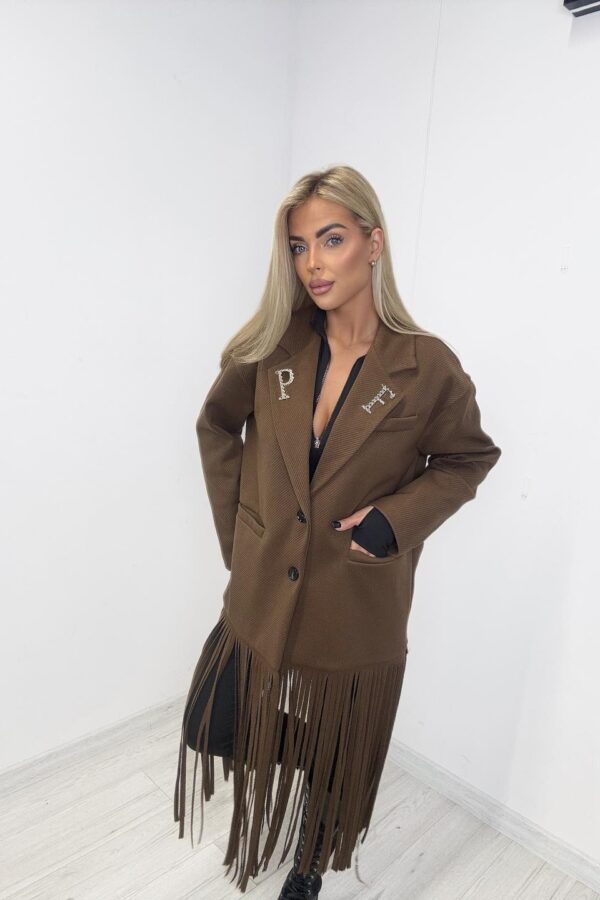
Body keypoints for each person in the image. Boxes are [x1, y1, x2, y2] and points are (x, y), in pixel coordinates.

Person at [173, 164, 502, 898]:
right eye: (299, 247)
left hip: (357, 600)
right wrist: (242, 538)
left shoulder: (426, 366)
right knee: (208, 721)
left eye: (331, 240)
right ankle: (334, 762)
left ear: (373, 243)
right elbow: (217, 426)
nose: (313, 264)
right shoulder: (274, 346)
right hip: (263, 587)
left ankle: (309, 869)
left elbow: (468, 458)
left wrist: (394, 521)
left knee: (340, 731)